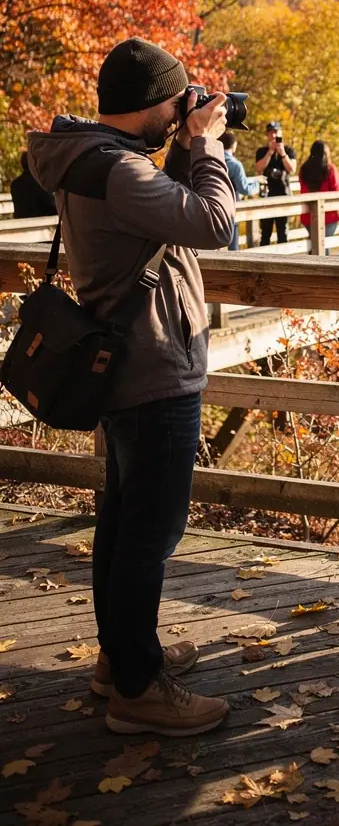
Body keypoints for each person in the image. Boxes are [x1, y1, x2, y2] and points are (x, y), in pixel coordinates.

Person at [27, 38, 235, 737]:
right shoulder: (120, 172)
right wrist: (205, 146)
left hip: (125, 365)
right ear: (151, 106)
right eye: (177, 103)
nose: (186, 111)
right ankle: (140, 691)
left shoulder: (91, 159)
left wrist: (182, 142)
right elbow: (214, 222)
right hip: (152, 371)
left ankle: (121, 660)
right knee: (151, 533)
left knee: (122, 523)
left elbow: (159, 210)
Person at [255, 121, 296, 246]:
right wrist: (270, 152)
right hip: (266, 197)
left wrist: (282, 153)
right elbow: (259, 168)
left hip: (283, 196)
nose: (273, 136)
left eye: (275, 133)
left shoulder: (288, 150)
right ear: (267, 135)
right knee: (265, 233)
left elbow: (292, 169)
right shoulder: (262, 151)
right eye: (270, 133)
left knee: (283, 232)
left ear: (281, 133)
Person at [299, 140, 339, 253]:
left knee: (315, 244)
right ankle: (322, 268)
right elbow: (337, 190)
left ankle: (312, 267)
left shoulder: (303, 170)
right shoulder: (329, 169)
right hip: (328, 215)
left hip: (308, 215)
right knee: (324, 246)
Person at [222, 131, 252, 251]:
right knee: (233, 247)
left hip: (212, 206)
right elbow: (244, 189)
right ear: (234, 145)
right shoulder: (235, 165)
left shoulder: (210, 160)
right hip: (231, 209)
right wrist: (257, 185)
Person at [10, 151, 57, 218]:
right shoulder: (40, 182)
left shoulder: (15, 184)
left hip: (21, 224)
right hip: (42, 225)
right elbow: (50, 206)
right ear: (34, 163)